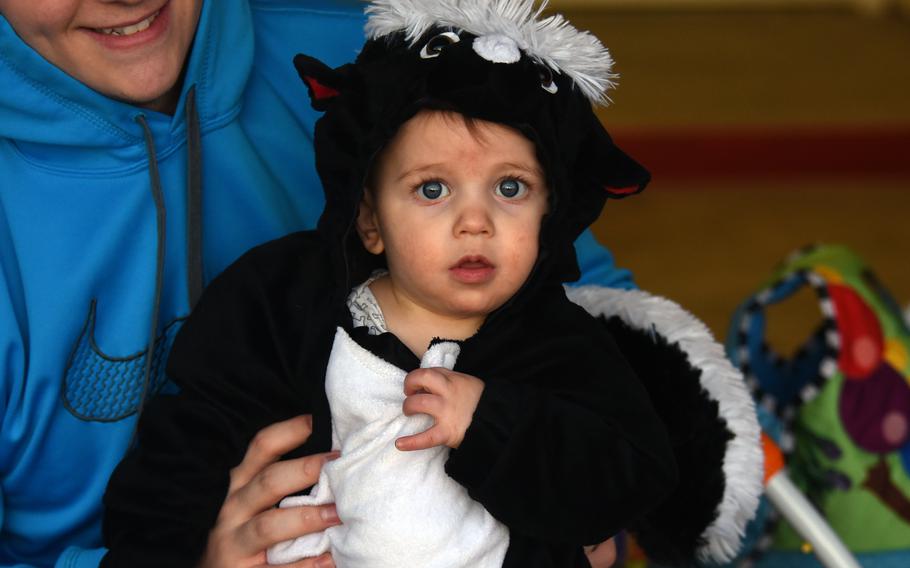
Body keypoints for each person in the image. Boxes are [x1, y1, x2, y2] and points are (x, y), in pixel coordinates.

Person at [0, 0, 636, 566]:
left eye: (504, 189)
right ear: (366, 218)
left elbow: (591, 311)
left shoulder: (386, 55)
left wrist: (591, 496)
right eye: (433, 189)